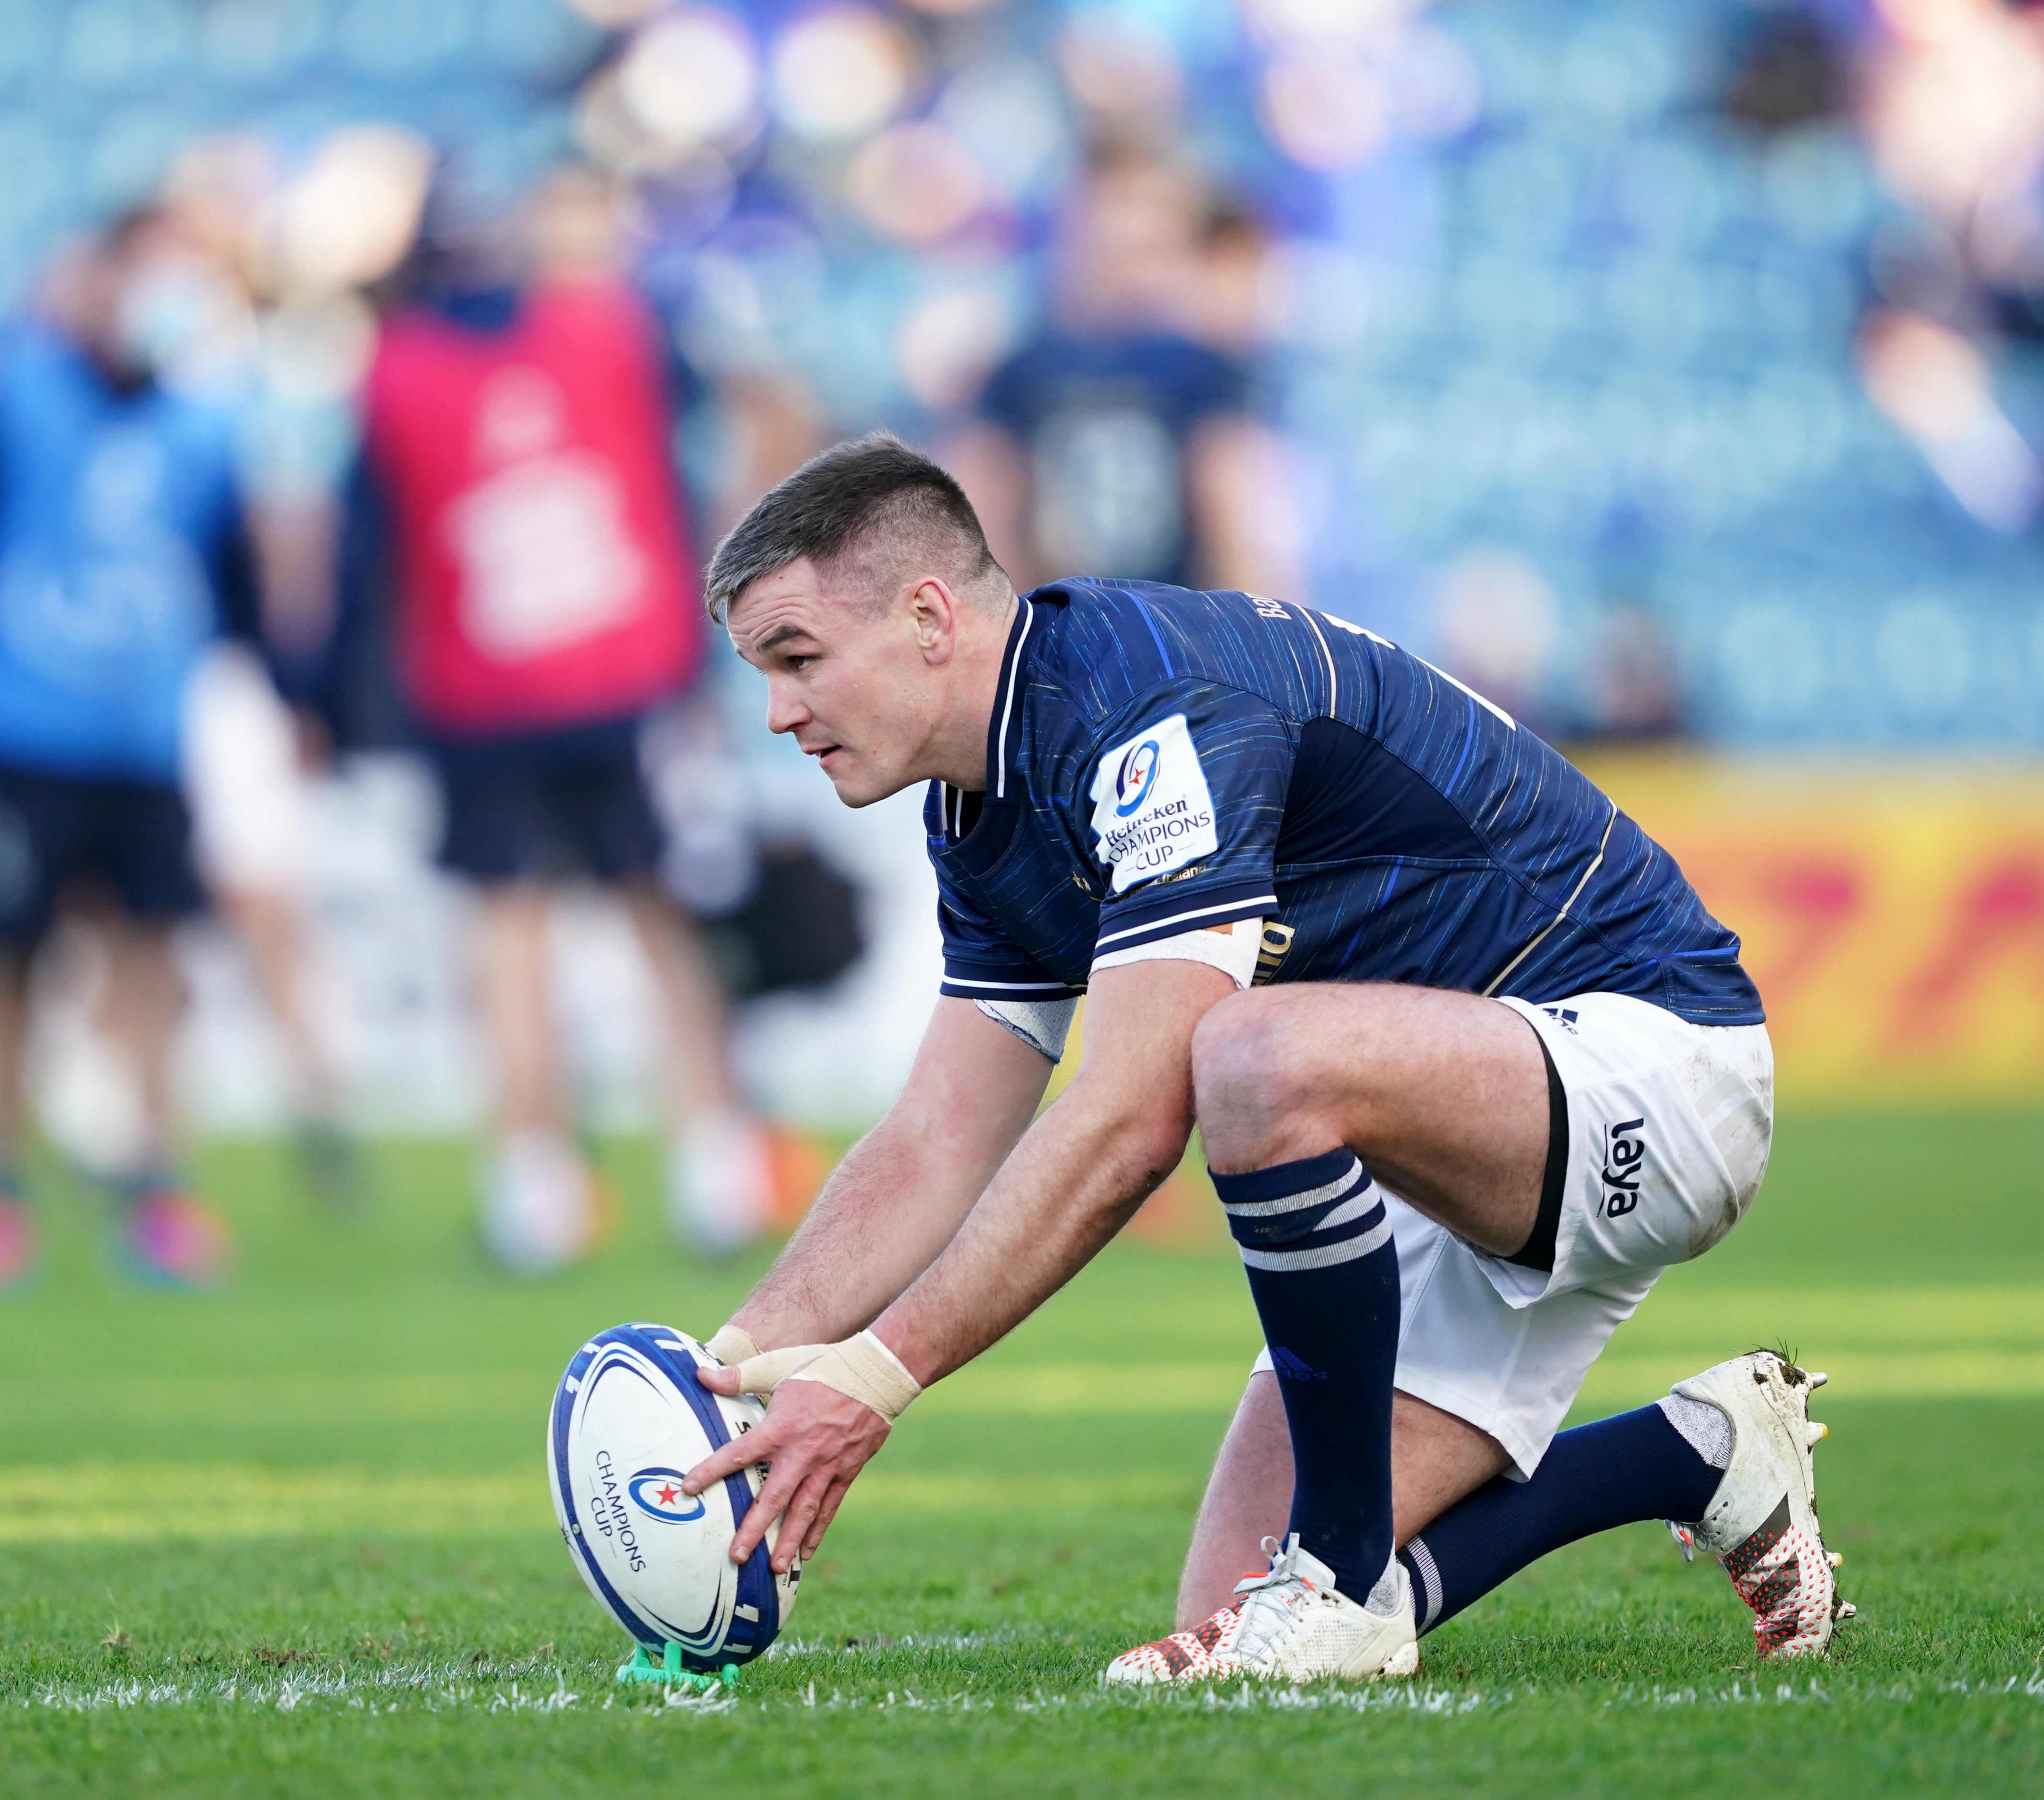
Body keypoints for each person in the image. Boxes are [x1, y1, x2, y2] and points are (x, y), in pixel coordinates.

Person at [673, 434, 1853, 1684]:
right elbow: (935, 1140)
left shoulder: (1146, 703)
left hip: (1648, 1063)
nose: (776, 711)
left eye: (796, 659)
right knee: (1232, 1606)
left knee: (1239, 1055)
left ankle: (1337, 1578)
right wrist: (728, 1372)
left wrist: (872, 1377)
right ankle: (1698, 1452)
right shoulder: (980, 808)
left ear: (924, 615)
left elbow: (1130, 1116)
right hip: (1418, 1130)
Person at [342, 164, 802, 1274]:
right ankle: (716, 1162)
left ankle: (533, 1188)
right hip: (623, 675)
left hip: (482, 690)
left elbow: (371, 560)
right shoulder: (617, 325)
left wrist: (340, 702)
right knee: (660, 923)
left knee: (510, 944)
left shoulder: (397, 372)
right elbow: (760, 419)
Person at [0, 205, 252, 1291]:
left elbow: (231, 579)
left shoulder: (206, 425)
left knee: (156, 961)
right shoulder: (12, 396)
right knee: (14, 963)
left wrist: (285, 691)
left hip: (149, 737)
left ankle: (155, 1182)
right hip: (27, 732)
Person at [944, 146, 1297, 600]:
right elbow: (988, 503)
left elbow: (1229, 505)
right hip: (1151, 628)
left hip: (1108, 623)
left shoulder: (1202, 368)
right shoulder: (1022, 369)